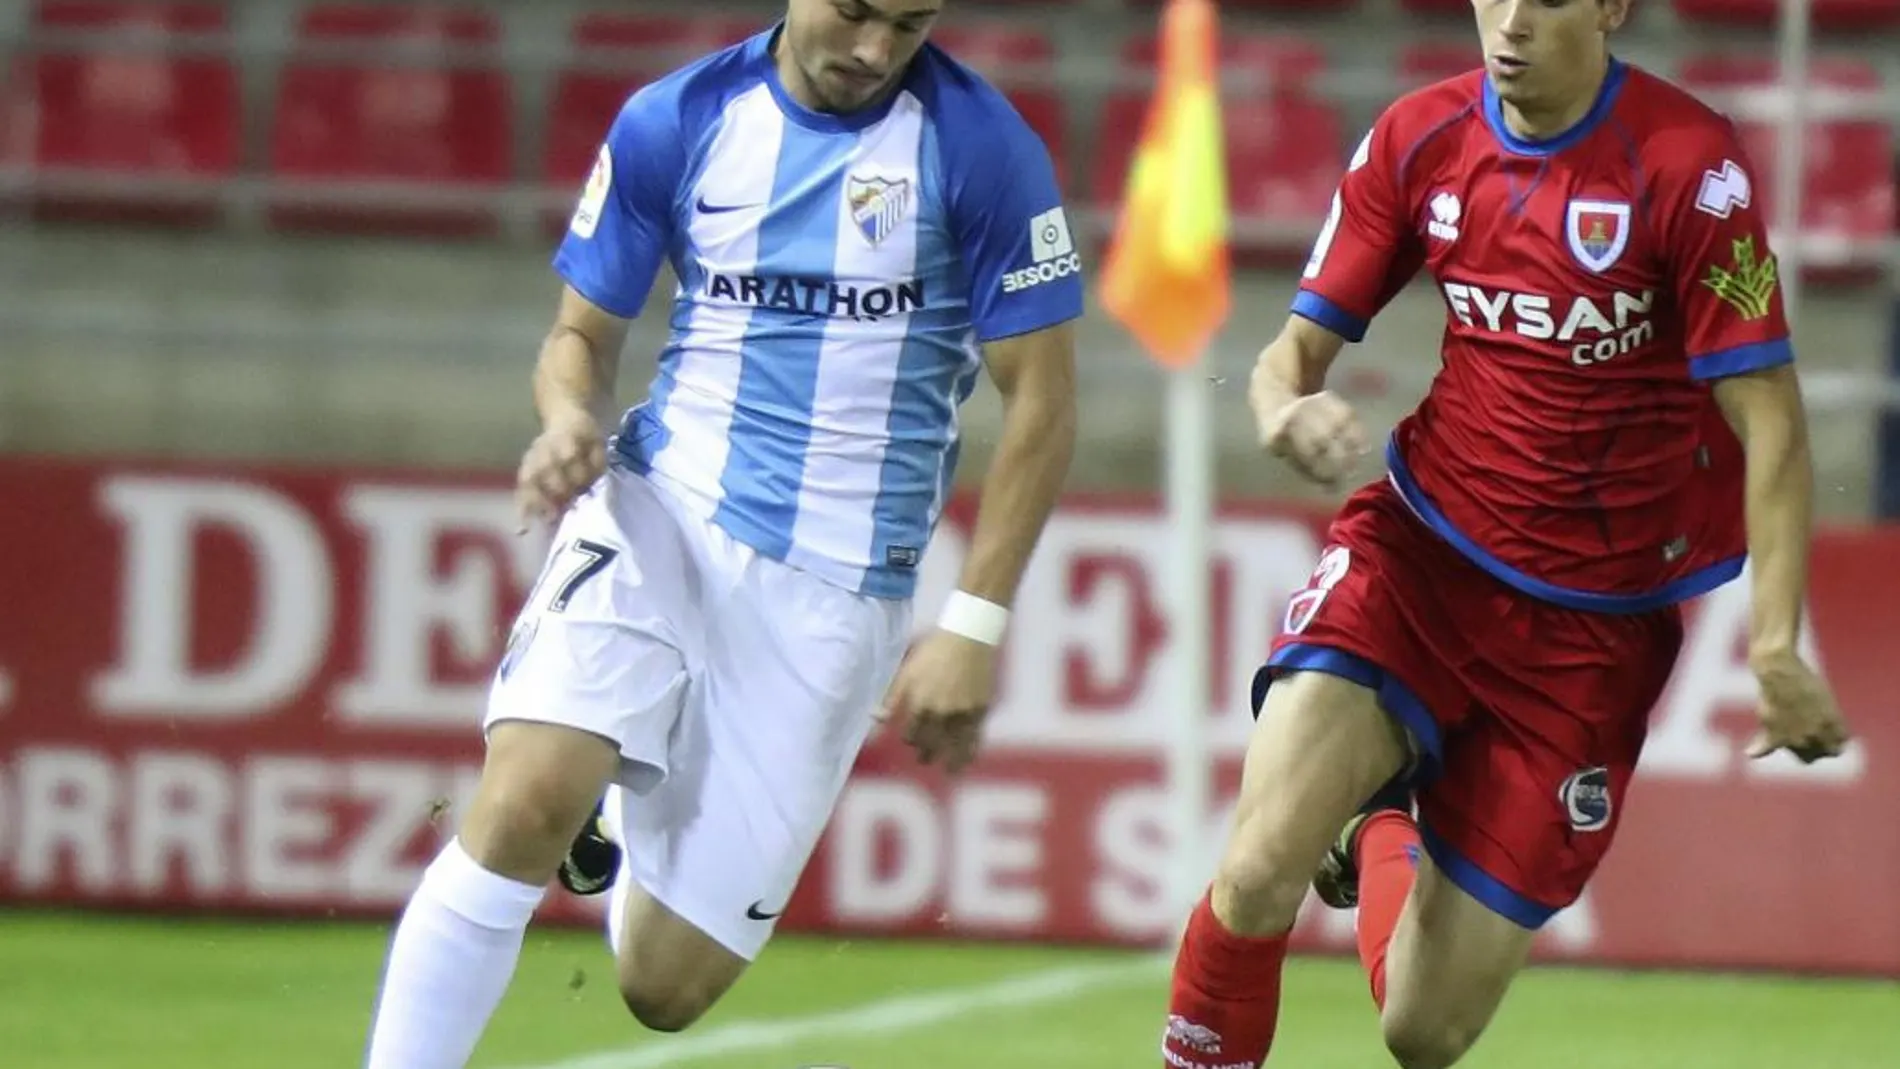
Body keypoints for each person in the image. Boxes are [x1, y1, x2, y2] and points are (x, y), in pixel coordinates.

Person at [360, 2, 1083, 1065]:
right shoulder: (678, 118)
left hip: (835, 585)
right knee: (523, 800)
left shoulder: (980, 148)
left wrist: (971, 622)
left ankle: (616, 799)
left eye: (910, 24)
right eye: (855, 12)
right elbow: (579, 335)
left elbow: (1044, 404)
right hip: (663, 510)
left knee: (666, 986)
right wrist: (568, 419)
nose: (875, 50)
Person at [1159, 3, 1852, 1068]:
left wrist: (1771, 642)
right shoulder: (1418, 137)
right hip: (1417, 556)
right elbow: (1285, 359)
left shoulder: (1685, 165)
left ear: (1611, 6)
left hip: (1591, 634)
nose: (1512, 20)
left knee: (1423, 1034)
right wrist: (1282, 410)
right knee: (1255, 869)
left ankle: (1380, 819)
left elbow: (1772, 422)